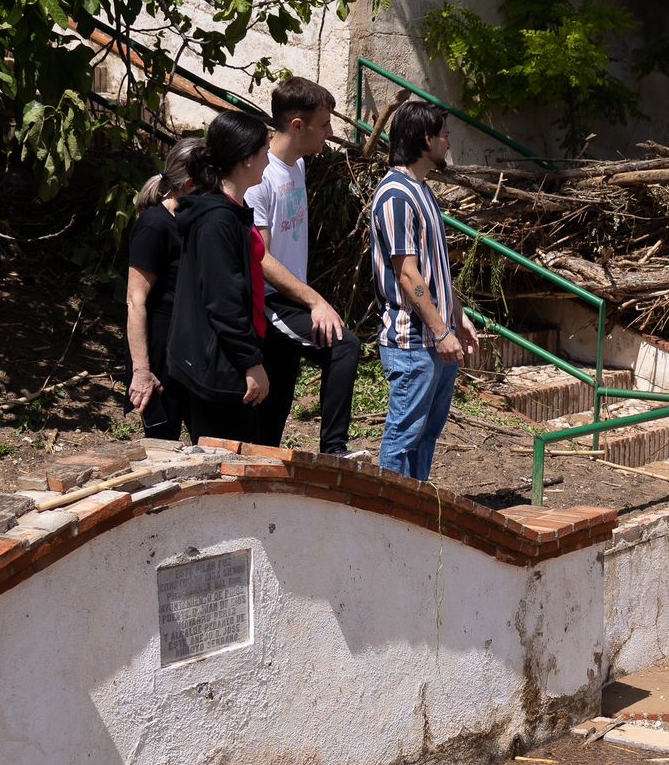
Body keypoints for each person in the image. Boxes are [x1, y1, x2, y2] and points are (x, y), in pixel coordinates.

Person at [246, 77, 360, 455]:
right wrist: (315, 301)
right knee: (343, 345)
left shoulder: (297, 168)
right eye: (324, 124)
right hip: (273, 302)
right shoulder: (259, 178)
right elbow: (260, 257)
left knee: (271, 421)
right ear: (298, 125)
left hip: (292, 299)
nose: (330, 132)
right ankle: (334, 451)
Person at [369, 100, 478, 480]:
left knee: (426, 434)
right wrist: (439, 329)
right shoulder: (397, 196)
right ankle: (388, 518)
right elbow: (408, 277)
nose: (448, 144)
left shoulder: (423, 191)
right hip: (413, 343)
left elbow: (436, 273)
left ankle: (413, 514)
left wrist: (458, 318)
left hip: (437, 338)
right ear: (426, 138)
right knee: (403, 436)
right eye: (445, 135)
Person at [169, 111, 274, 444]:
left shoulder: (227, 212)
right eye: (264, 151)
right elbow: (223, 300)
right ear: (245, 158)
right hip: (219, 369)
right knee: (225, 470)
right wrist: (250, 363)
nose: (268, 159)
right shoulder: (217, 220)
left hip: (226, 360)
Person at [124, 138, 202, 441]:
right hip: (160, 356)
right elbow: (135, 299)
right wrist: (141, 371)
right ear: (190, 183)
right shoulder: (154, 225)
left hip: (189, 351)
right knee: (162, 446)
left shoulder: (192, 220)